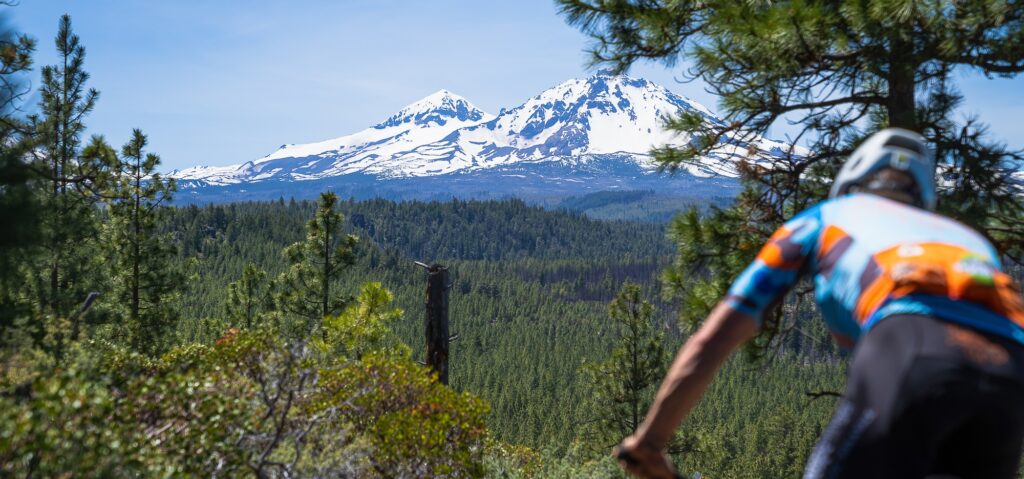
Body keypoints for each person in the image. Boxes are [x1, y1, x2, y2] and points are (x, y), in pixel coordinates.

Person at [614, 128, 1024, 479]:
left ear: (852, 179)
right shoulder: (969, 240)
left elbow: (715, 336)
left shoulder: (823, 217)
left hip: (911, 345)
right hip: (1012, 369)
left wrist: (650, 442)